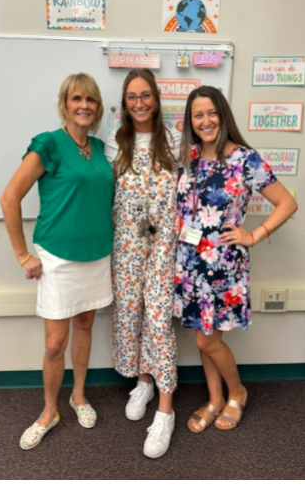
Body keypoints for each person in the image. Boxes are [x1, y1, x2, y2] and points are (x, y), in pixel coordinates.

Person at [0, 73, 114, 450]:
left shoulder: (100, 149)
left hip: (97, 256)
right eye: (77, 99)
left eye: (91, 100)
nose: (84, 106)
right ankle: (49, 411)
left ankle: (78, 396)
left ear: (97, 108)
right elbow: (9, 198)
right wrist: (22, 256)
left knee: (85, 326)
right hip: (57, 258)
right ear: (65, 103)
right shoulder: (48, 143)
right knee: (54, 344)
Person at [175, 86, 298, 433]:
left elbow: (287, 203)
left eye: (211, 113)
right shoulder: (189, 156)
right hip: (190, 265)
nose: (205, 121)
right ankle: (215, 399)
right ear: (190, 121)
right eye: (198, 115)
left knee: (206, 340)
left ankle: (237, 391)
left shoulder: (245, 159)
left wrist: (253, 235)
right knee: (204, 333)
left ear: (223, 114)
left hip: (223, 267)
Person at [102, 69, 181, 458]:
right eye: (132, 96)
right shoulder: (113, 145)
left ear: (156, 98)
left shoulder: (177, 143)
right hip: (127, 247)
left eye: (146, 95)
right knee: (131, 314)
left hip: (164, 248)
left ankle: (165, 411)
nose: (139, 103)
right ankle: (144, 381)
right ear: (124, 101)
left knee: (159, 320)